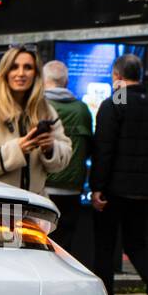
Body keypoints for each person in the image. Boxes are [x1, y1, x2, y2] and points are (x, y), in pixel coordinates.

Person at [91, 53, 148, 295]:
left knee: (105, 246)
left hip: (115, 190)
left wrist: (97, 187)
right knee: (136, 242)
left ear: (116, 76)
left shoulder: (117, 102)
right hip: (146, 190)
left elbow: (105, 147)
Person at [0, 45, 72, 195]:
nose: (21, 73)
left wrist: (50, 148)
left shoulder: (46, 110)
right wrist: (18, 148)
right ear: (5, 72)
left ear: (36, 74)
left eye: (27, 67)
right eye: (14, 67)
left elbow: (65, 155)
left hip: (35, 206)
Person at [41, 59, 93, 259]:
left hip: (45, 185)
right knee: (65, 242)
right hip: (73, 187)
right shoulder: (82, 109)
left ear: (45, 80)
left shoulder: (41, 107)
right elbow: (88, 147)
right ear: (66, 81)